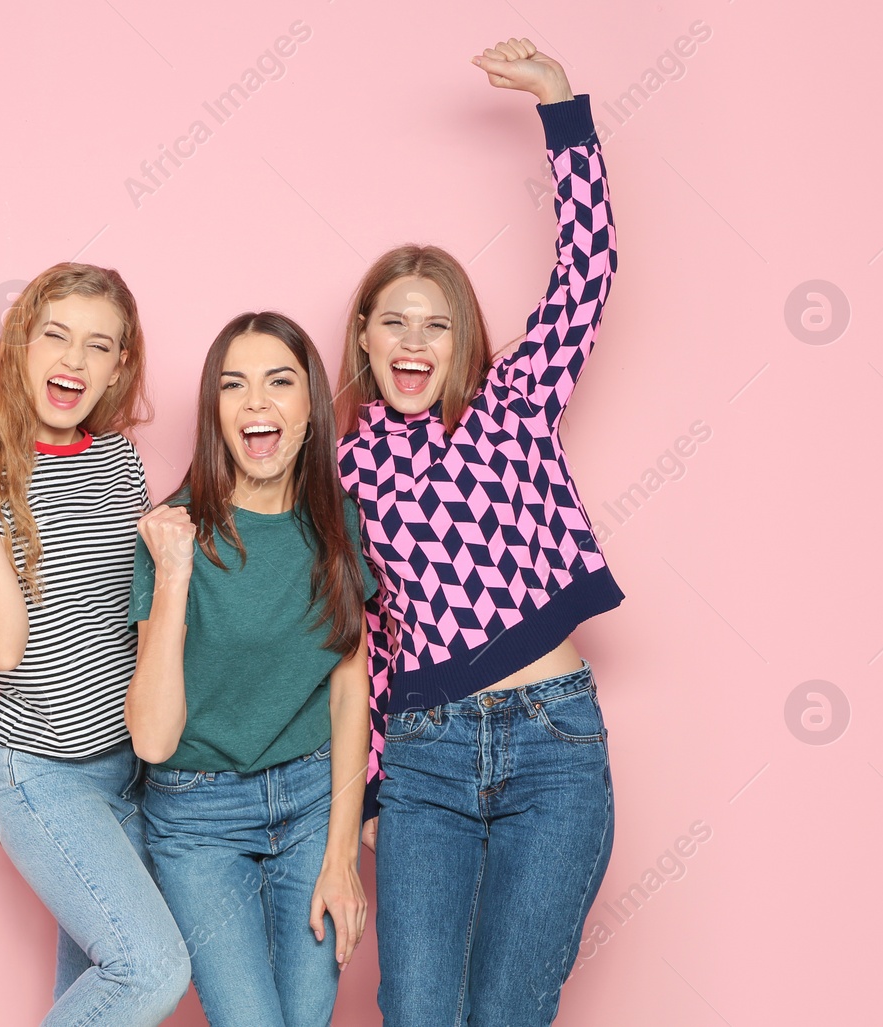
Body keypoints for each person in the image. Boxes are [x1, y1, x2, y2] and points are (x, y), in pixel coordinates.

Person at [334, 40, 622, 1025]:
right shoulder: (338, 471)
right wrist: (369, 790)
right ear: (364, 339)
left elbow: (588, 269)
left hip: (554, 741)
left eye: (436, 324)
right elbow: (363, 641)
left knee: (508, 1007)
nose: (414, 343)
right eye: (394, 323)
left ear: (463, 340)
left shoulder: (512, 406)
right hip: (424, 758)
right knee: (415, 1008)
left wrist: (559, 108)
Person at [0, 262, 189, 1026]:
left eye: (98, 346)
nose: (73, 360)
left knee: (101, 993)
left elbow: (133, 621)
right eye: (55, 335)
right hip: (42, 777)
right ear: (20, 346)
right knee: (148, 970)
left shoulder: (119, 461)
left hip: (132, 774)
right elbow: (0, 645)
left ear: (119, 366)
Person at [124, 312, 375, 1027]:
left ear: (310, 407)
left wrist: (341, 858)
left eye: (279, 381)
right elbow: (151, 739)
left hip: (310, 801)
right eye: (234, 384)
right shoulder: (172, 530)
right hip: (198, 816)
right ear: (215, 412)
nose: (256, 401)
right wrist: (174, 577)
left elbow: (349, 692)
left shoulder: (336, 525)